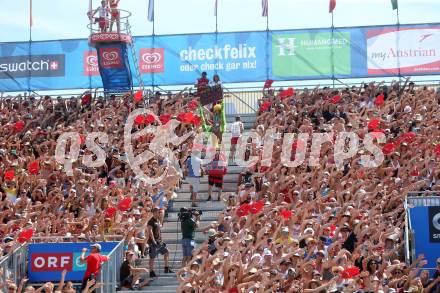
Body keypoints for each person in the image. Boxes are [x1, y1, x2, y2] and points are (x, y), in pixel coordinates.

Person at [147, 207, 173, 278]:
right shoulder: (151, 221)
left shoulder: (157, 220)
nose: (159, 213)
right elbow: (150, 231)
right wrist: (153, 241)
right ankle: (151, 272)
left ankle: (166, 268)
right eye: (158, 212)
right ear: (154, 212)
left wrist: (161, 240)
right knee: (152, 257)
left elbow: (159, 231)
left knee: (167, 252)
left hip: (159, 241)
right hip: (154, 242)